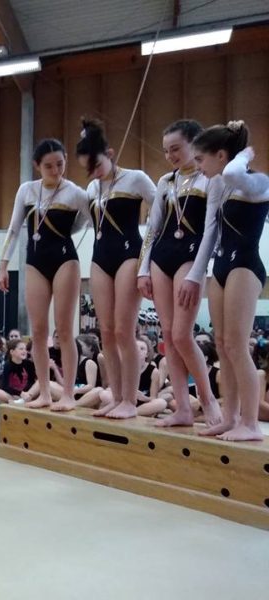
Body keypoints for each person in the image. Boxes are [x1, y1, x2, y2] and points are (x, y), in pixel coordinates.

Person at [137, 120, 223, 428]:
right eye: (166, 151)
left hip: (191, 256)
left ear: (194, 143)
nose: (170, 156)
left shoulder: (210, 179)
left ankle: (208, 399)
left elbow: (212, 229)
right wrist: (142, 269)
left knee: (182, 335)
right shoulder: (165, 181)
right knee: (168, 337)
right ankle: (183, 408)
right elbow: (152, 228)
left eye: (175, 149)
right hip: (161, 258)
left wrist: (197, 274)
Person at [188, 121, 269, 440]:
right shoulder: (220, 186)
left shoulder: (256, 181)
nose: (198, 166)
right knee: (222, 344)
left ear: (221, 155)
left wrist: (244, 154)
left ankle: (251, 423)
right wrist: (197, 274)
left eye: (201, 159)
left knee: (237, 345)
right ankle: (231, 417)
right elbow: (210, 232)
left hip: (245, 266)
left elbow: (235, 172)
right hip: (221, 266)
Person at [0, 138, 91, 412]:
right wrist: (3, 265)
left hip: (65, 259)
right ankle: (45, 394)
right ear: (37, 165)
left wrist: (66, 232)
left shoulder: (76, 193)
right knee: (38, 331)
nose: (55, 170)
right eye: (48, 166)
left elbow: (88, 220)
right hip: (35, 261)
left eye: (60, 164)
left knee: (64, 329)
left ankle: (68, 394)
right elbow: (14, 228)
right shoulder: (27, 190)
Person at [75, 118, 156, 418]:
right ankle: (117, 395)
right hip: (100, 258)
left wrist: (149, 261)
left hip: (129, 255)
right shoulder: (92, 187)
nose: (94, 172)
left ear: (110, 153)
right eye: (88, 168)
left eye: (97, 164)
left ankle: (130, 401)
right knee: (106, 332)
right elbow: (82, 221)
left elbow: (162, 211)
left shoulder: (136, 179)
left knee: (124, 330)